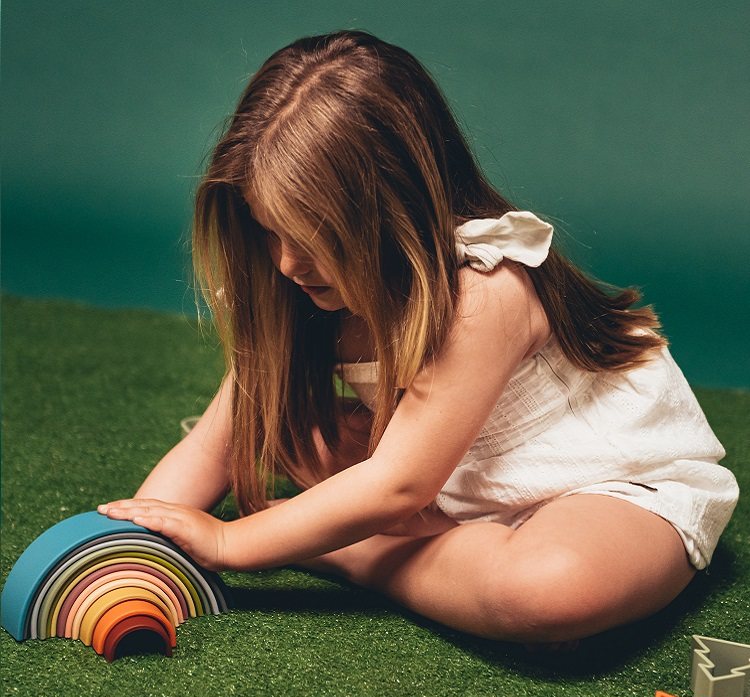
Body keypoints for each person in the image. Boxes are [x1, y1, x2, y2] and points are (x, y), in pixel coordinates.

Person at [98, 30, 739, 644]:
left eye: (315, 236)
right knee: (288, 426)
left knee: (551, 589)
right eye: (270, 232)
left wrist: (230, 542)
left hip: (602, 486)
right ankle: (449, 570)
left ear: (395, 207)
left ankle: (358, 554)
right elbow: (218, 442)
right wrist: (135, 543)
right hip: (451, 476)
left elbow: (398, 485)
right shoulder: (303, 291)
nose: (288, 263)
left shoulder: (484, 288)